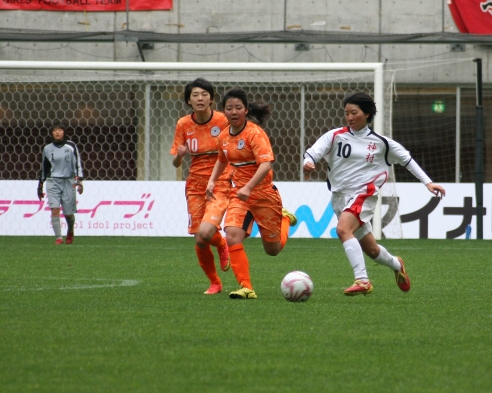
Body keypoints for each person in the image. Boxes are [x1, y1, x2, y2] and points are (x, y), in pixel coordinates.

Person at [303, 93, 446, 296]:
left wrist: (428, 182)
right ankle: (397, 264)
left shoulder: (381, 143)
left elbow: (407, 160)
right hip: (339, 197)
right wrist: (307, 164)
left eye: (354, 113)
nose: (350, 117)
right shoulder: (335, 135)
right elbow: (312, 152)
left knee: (343, 230)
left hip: (364, 194)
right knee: (371, 250)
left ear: (367, 114)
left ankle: (362, 280)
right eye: (346, 113)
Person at [205, 88, 297, 300]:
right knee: (232, 235)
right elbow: (221, 159)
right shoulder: (224, 137)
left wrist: (249, 187)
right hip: (240, 195)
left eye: (238, 107)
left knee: (272, 250)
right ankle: (246, 288)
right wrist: (212, 180)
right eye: (229, 108)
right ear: (224, 111)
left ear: (246, 110)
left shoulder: (255, 134)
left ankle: (283, 218)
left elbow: (266, 164)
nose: (234, 112)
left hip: (264, 194)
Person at [170, 78, 231, 295]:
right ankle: (215, 282)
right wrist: (179, 156)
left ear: (212, 99)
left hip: (221, 181)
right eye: (195, 95)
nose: (200, 98)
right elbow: (176, 162)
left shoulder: (223, 121)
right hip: (195, 183)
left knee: (206, 233)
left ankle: (222, 243)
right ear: (189, 100)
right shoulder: (183, 124)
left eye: (204, 94)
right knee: (200, 240)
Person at [37, 123, 84, 245]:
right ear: (51, 133)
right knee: (54, 210)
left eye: (60, 130)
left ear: (64, 132)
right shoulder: (47, 148)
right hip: (52, 181)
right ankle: (58, 237)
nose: (57, 132)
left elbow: (77, 163)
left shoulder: (71, 146)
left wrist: (79, 181)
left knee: (68, 213)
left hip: (68, 181)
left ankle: (70, 230)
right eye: (55, 130)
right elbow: (44, 166)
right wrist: (40, 184)